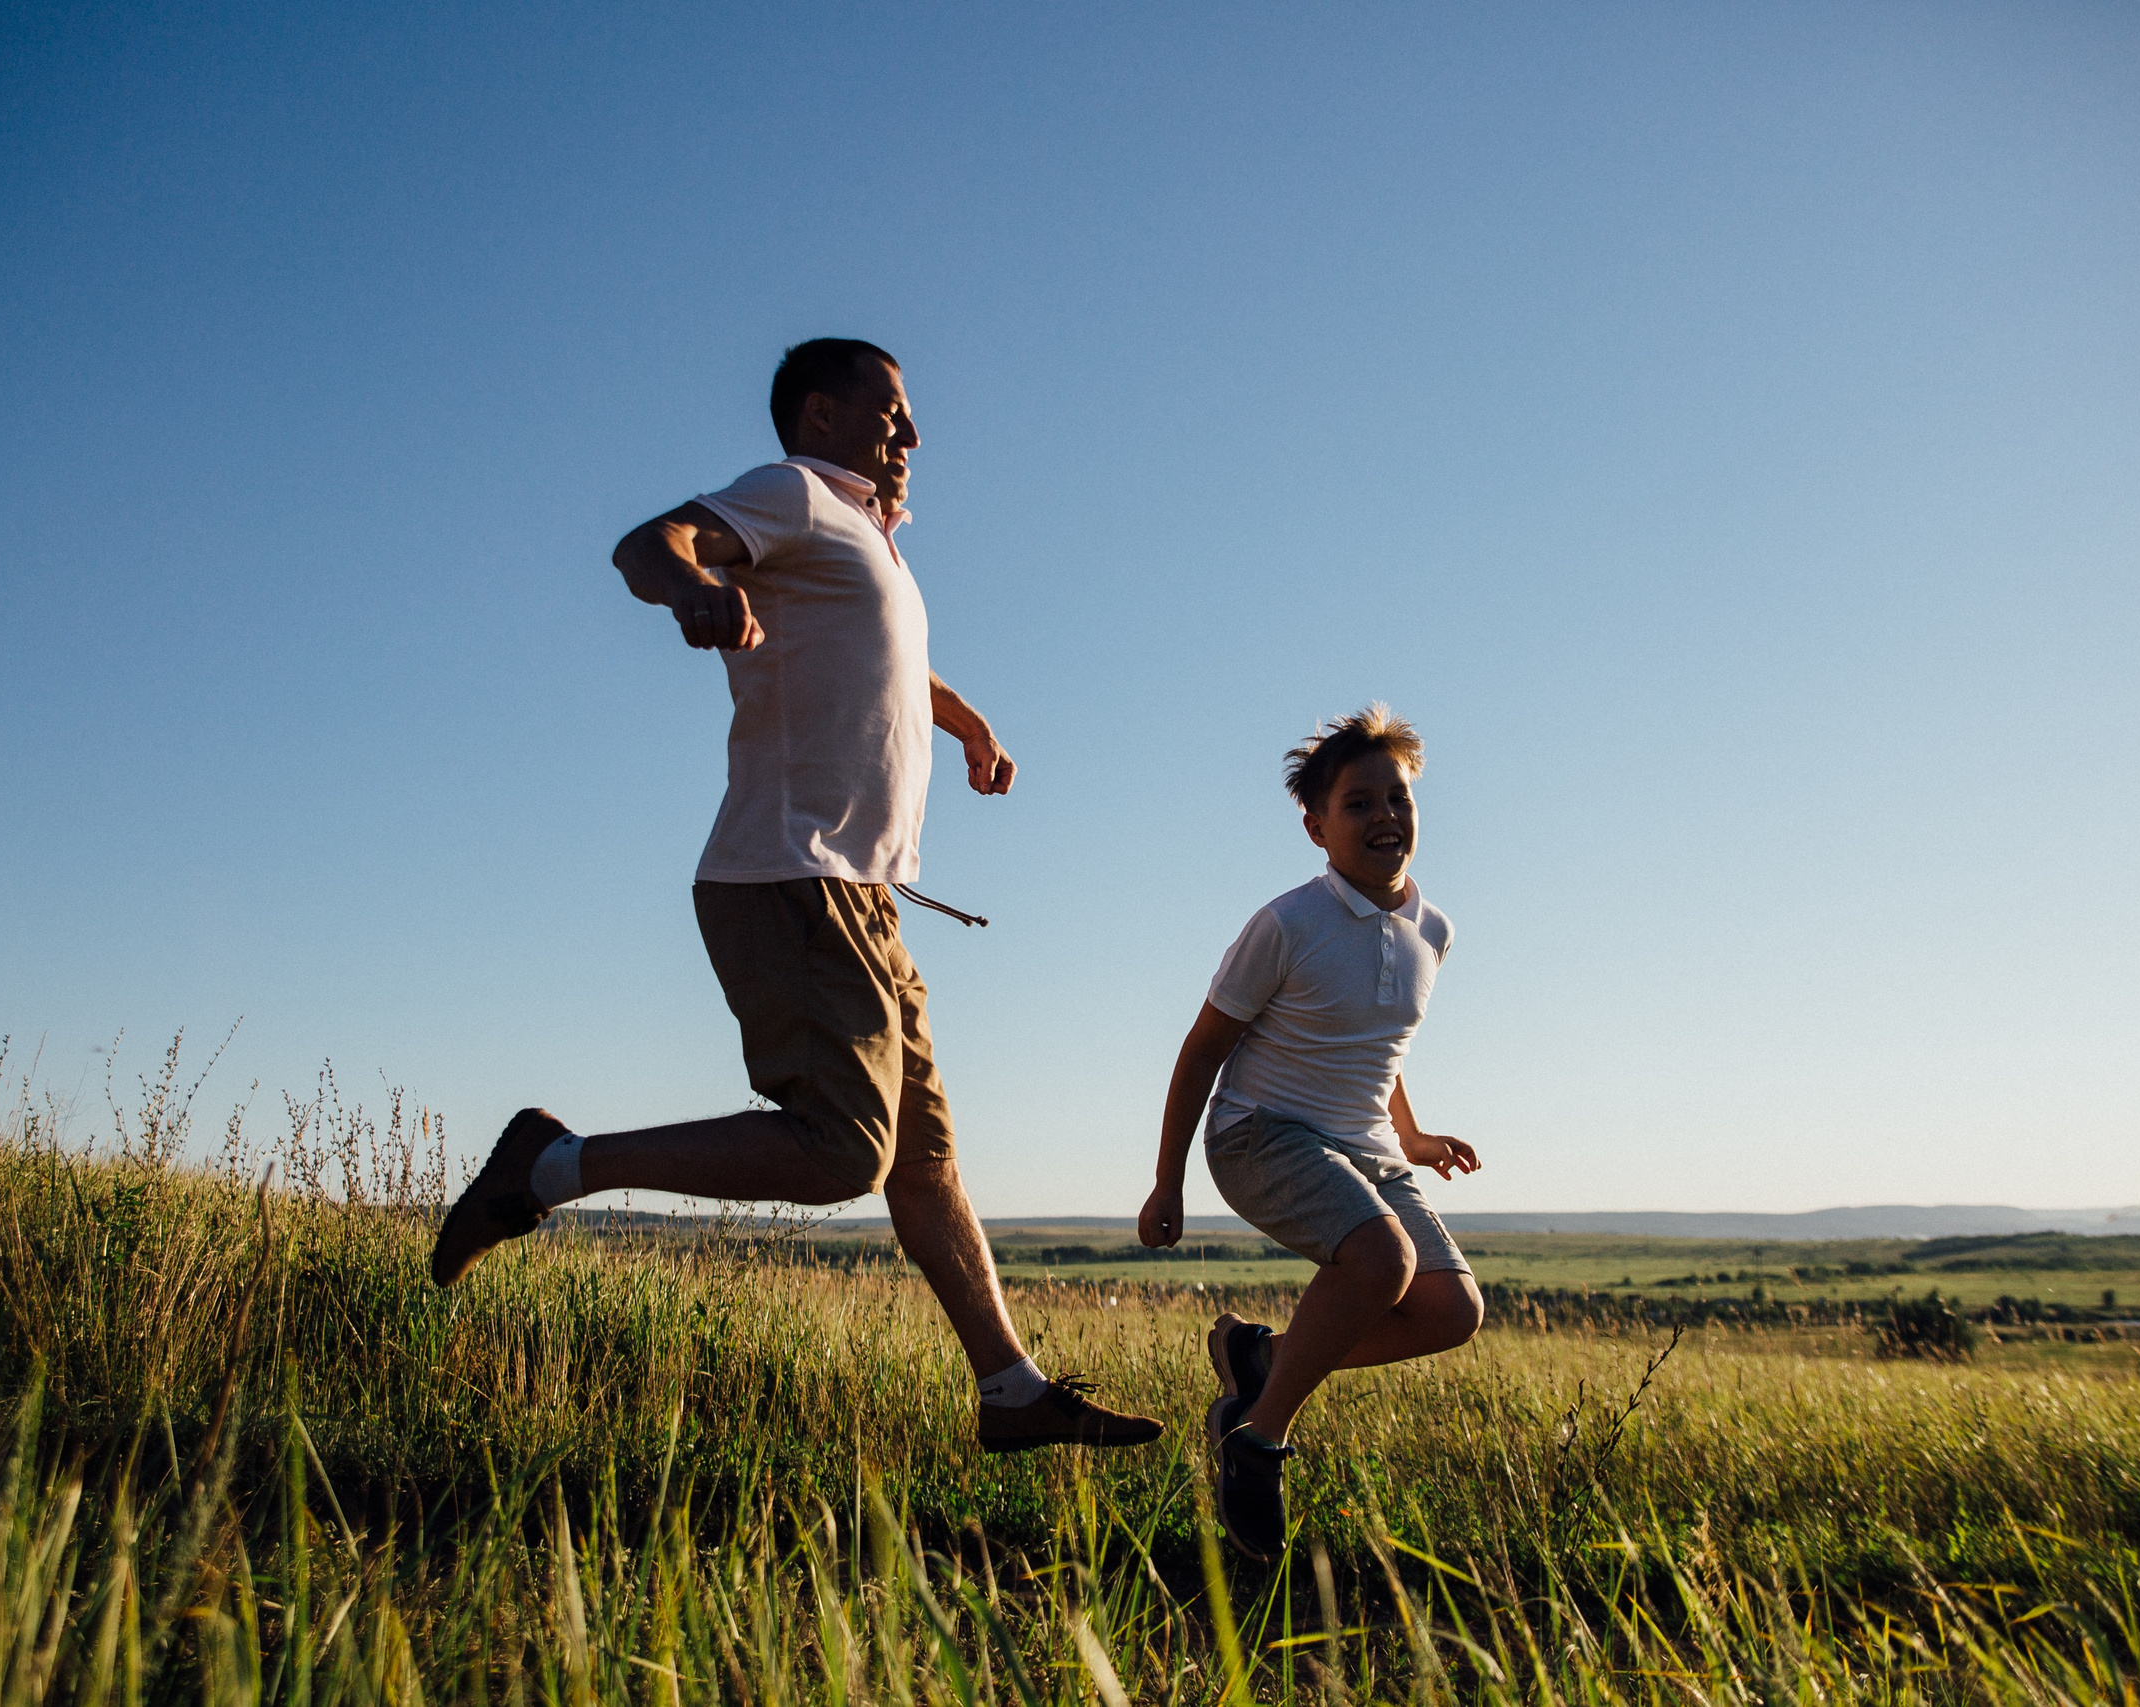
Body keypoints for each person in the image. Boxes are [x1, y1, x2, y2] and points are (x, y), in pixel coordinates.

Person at [433, 338, 1160, 1455]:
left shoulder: (869, 546)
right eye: (892, 413)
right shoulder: (796, 495)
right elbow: (648, 543)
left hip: (862, 895)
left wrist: (967, 726)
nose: (911, 436)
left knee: (923, 1162)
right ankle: (548, 1165)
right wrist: (694, 587)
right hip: (791, 874)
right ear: (819, 414)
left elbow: (885, 663)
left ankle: (1011, 1391)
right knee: (841, 1150)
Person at [1137, 706, 1485, 1557]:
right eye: (1358, 804)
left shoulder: (1432, 931)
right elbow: (1201, 1050)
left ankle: (1259, 1360)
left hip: (1363, 1143)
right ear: (1316, 827)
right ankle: (1256, 1438)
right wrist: (1168, 1179)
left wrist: (1412, 1134)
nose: (1383, 818)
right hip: (1261, 1131)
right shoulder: (1287, 924)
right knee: (1382, 1260)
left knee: (1451, 1308)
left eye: (1396, 798)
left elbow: (1378, 1041)